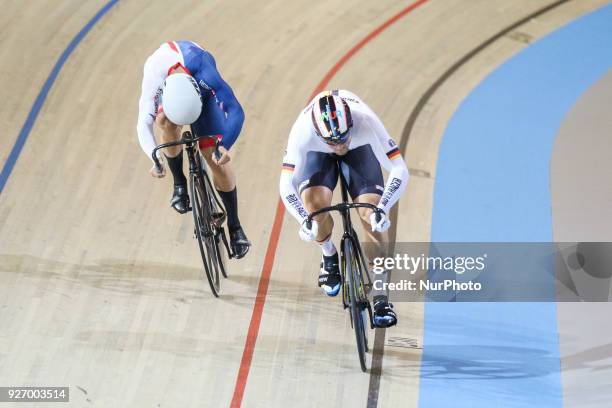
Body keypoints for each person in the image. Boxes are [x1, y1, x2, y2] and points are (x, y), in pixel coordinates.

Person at [279, 90, 409, 328]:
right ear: (319, 133)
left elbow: (399, 169)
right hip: (318, 155)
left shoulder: (365, 121)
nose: (340, 146)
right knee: (314, 207)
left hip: (360, 150)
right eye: (333, 141)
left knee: (371, 213)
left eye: (343, 137)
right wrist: (303, 219)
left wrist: (383, 206)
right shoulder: (302, 132)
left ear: (350, 123)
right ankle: (328, 255)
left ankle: (381, 297)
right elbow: (286, 184)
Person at [136, 41, 250, 258]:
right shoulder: (155, 74)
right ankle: (180, 185)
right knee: (164, 122)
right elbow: (143, 123)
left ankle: (235, 226)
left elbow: (236, 110)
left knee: (216, 159)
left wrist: (224, 145)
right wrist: (155, 159)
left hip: (202, 98)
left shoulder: (205, 71)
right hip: (171, 100)